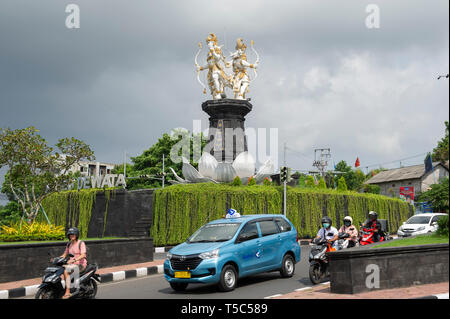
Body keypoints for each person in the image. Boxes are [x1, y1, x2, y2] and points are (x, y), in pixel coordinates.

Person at [60, 227, 87, 299]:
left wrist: (74, 260)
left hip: (80, 264)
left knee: (66, 271)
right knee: (61, 269)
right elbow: (64, 254)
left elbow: (83, 255)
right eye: (70, 235)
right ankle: (68, 287)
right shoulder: (69, 244)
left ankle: (68, 292)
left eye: (73, 234)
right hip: (72, 265)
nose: (71, 236)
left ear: (76, 235)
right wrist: (56, 259)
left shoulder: (81, 243)